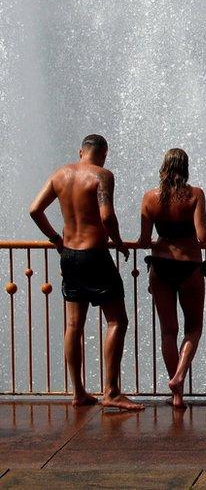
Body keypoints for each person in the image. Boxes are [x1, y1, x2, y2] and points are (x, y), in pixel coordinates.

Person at [28, 134, 143, 411]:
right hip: (95, 255)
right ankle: (111, 392)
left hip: (69, 255)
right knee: (117, 321)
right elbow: (106, 216)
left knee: (73, 326)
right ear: (103, 154)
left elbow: (34, 210)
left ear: (81, 151)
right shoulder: (102, 175)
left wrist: (56, 239)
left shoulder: (60, 174)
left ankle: (78, 391)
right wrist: (117, 243)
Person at [137, 148, 206, 409]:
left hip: (160, 266)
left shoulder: (150, 198)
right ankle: (178, 379)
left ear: (163, 167)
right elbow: (202, 237)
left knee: (168, 331)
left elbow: (143, 242)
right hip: (189, 266)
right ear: (185, 168)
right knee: (193, 328)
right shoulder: (194, 195)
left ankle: (177, 395)